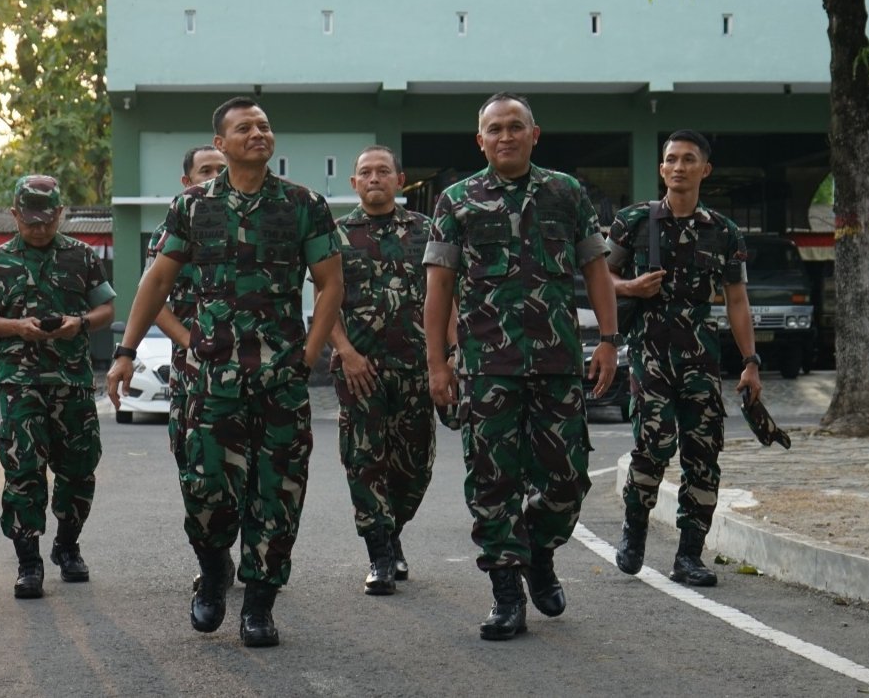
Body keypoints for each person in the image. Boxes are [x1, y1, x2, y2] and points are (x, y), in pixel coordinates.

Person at [107, 96, 342, 648]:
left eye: (263, 125)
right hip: (213, 383)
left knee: (278, 493)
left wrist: (307, 358)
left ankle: (258, 605)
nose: (257, 133)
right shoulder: (192, 207)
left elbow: (330, 284)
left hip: (280, 382)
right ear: (221, 144)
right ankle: (214, 571)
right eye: (244, 127)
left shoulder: (304, 204)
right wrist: (125, 351)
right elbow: (157, 282)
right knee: (206, 489)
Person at [422, 92, 618, 641]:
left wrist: (607, 340)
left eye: (515, 127)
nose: (505, 136)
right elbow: (437, 288)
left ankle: (538, 549)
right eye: (494, 129)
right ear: (479, 140)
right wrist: (438, 364)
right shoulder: (456, 200)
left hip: (558, 361)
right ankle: (506, 592)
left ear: (535, 135)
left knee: (567, 479)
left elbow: (596, 270)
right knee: (493, 483)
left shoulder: (567, 192)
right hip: (487, 367)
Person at [608, 129, 761, 586]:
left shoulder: (724, 231)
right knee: (653, 447)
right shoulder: (633, 221)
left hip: (700, 357)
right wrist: (632, 288)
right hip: (650, 353)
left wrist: (751, 362)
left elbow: (737, 299)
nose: (678, 166)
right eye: (671, 159)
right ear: (661, 169)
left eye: (688, 159)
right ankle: (634, 531)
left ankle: (689, 556)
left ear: (704, 169)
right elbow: (601, 277)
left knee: (703, 454)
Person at [0, 175, 116, 599]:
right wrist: (16, 327)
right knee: (23, 470)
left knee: (79, 469)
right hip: (21, 384)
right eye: (30, 220)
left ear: (60, 214)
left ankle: (67, 546)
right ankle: (28, 563)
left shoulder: (83, 256)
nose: (39, 228)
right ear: (15, 215)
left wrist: (80, 323)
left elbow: (106, 307)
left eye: (47, 220)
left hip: (72, 383)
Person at [325, 145, 443, 596]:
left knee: (415, 466)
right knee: (363, 460)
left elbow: (445, 294)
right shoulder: (335, 235)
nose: (374, 178)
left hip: (417, 366)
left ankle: (392, 531)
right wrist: (345, 352)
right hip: (359, 369)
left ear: (399, 179)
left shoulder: (427, 231)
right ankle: (379, 551)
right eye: (365, 173)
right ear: (354, 183)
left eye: (383, 171)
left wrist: (446, 357)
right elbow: (325, 302)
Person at [147, 145, 234, 589]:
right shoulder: (174, 227)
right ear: (187, 181)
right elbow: (153, 296)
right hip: (193, 373)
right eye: (206, 170)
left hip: (245, 372)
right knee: (196, 468)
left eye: (221, 169)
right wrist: (191, 344)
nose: (215, 176)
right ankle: (213, 557)